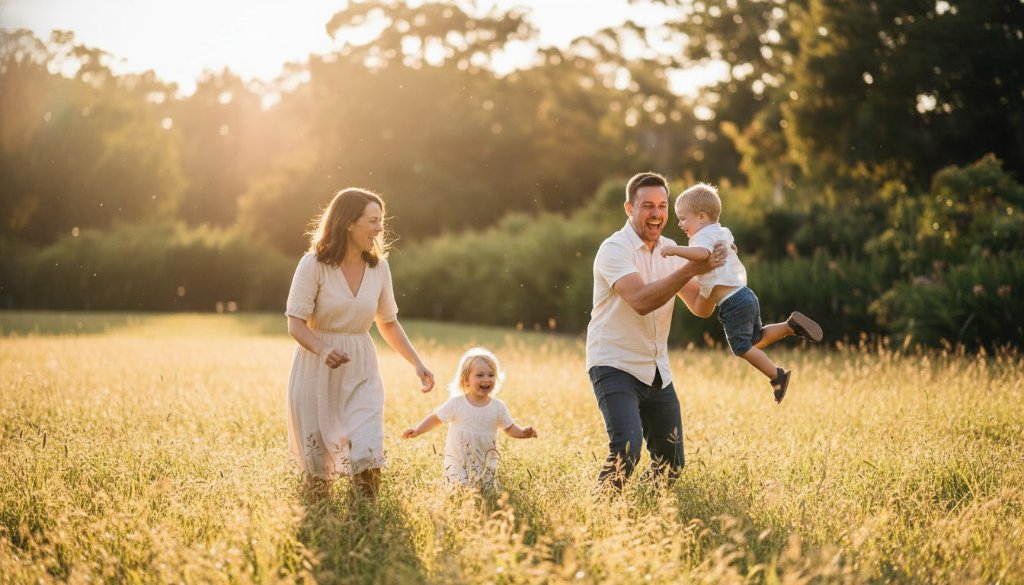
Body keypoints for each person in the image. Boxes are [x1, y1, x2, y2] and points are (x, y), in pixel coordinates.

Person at [285, 187, 435, 500]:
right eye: (373, 220)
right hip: (317, 367)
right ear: (348, 223)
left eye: (381, 220)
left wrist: (417, 363)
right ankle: (322, 527)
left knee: (368, 447)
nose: (380, 228)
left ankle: (367, 521)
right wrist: (324, 349)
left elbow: (388, 322)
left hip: (361, 367)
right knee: (317, 466)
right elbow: (295, 323)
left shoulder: (379, 268)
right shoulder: (313, 265)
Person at [586, 171, 728, 491]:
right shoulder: (614, 250)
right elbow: (641, 300)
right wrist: (693, 267)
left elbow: (700, 307)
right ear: (629, 209)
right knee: (626, 449)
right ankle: (600, 512)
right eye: (648, 206)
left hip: (656, 371)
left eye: (662, 206)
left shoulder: (672, 249)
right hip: (614, 364)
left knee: (672, 462)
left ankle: (645, 516)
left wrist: (716, 274)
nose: (656, 214)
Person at [661, 182, 823, 403]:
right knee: (756, 339)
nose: (679, 224)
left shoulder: (700, 238)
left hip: (732, 302)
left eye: (682, 218)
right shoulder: (720, 231)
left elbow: (701, 253)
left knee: (742, 348)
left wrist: (675, 250)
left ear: (701, 217)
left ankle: (777, 376)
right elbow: (732, 247)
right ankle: (790, 327)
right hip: (744, 295)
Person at [402, 347, 537, 488]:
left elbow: (509, 428)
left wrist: (523, 433)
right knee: (459, 489)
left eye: (491, 375)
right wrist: (418, 430)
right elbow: (436, 418)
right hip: (457, 461)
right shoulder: (457, 403)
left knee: (484, 492)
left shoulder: (498, 407)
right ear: (466, 379)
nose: (486, 379)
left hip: (484, 463)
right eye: (480, 375)